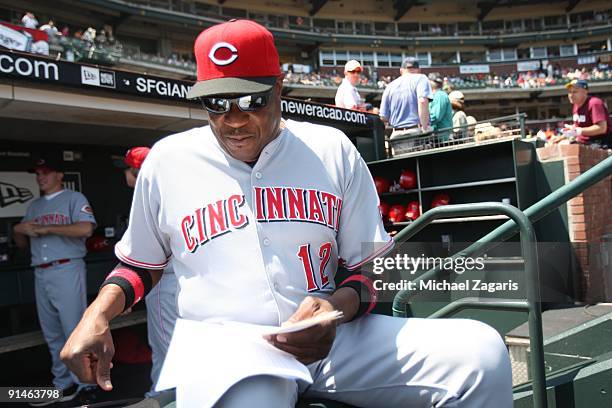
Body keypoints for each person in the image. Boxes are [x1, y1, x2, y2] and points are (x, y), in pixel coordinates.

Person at [61, 19, 512, 407]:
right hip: (231, 350)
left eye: (251, 100)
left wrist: (335, 310)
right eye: (217, 103)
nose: (234, 119)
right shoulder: (168, 160)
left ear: (278, 86)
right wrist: (97, 313)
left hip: (333, 338)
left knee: (481, 352)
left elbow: (371, 269)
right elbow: (141, 264)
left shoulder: (330, 148)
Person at [13, 157, 97, 406]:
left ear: (60, 174)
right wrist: (19, 230)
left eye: (46, 172)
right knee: (52, 333)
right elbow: (22, 244)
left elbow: (86, 229)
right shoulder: (34, 205)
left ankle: (87, 384)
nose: (40, 177)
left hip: (66, 267)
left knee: (75, 330)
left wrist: (49, 229)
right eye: (37, 173)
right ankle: (63, 384)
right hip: (40, 270)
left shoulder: (74, 199)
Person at [118, 147, 179, 399]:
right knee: (167, 348)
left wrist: (124, 295)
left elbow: (141, 255)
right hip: (173, 280)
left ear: (136, 172)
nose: (125, 174)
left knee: (170, 351)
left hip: (165, 281)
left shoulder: (155, 196)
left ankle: (168, 398)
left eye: (128, 169)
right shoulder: (172, 192)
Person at [379, 57, 432, 153]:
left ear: (401, 70)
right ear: (418, 70)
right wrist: (424, 129)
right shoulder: (421, 78)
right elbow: (423, 101)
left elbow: (383, 117)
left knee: (404, 167)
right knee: (421, 167)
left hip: (397, 136)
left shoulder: (390, 86)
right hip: (416, 132)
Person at [562, 79, 612, 148]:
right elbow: (580, 126)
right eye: (570, 92)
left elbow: (602, 128)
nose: (571, 95)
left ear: (585, 92)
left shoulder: (594, 103)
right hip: (585, 142)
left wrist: (578, 131)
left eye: (575, 92)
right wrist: (563, 135)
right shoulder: (576, 105)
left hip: (601, 142)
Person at [428, 75, 453, 143]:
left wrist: (423, 124)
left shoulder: (440, 95)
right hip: (438, 136)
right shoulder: (434, 95)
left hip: (442, 138)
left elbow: (435, 117)